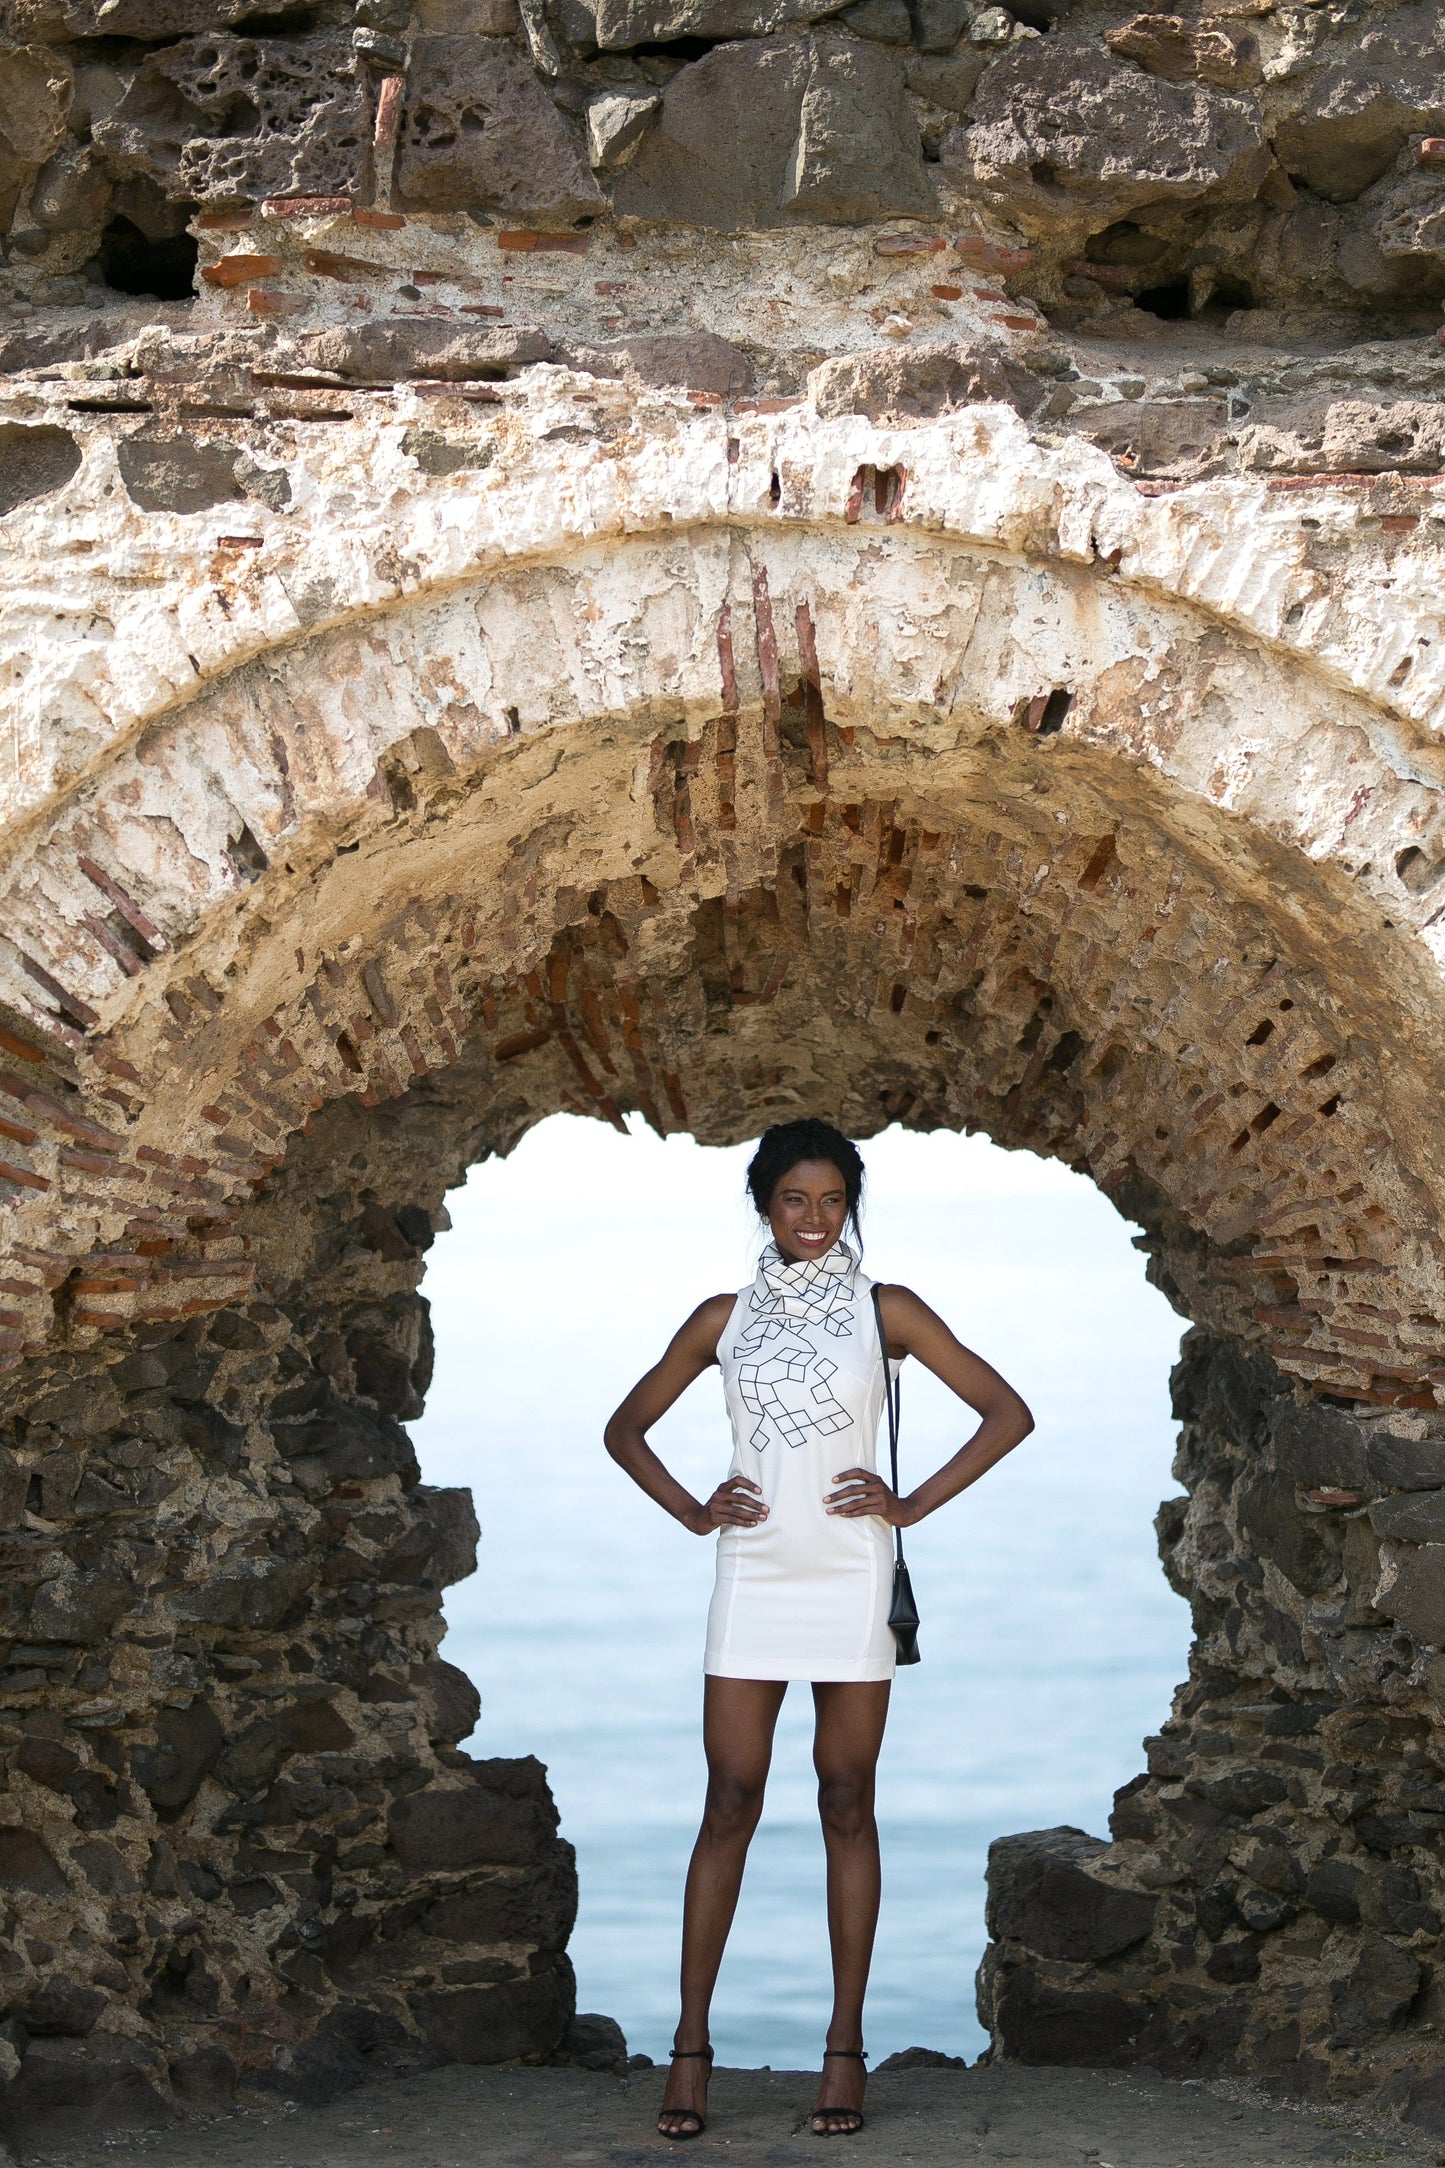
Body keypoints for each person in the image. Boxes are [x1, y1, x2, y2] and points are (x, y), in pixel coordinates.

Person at [604, 1118, 1034, 2141]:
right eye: (794, 1199)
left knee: (846, 1798)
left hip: (850, 1572)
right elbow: (625, 1427)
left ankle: (843, 2049)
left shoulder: (887, 1311)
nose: (813, 1217)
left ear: (850, 1204)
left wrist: (912, 1501)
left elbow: (1004, 1410)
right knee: (728, 1799)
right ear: (763, 1203)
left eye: (832, 1199)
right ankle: (690, 2050)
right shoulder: (721, 1317)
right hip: (752, 1572)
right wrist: (690, 1506)